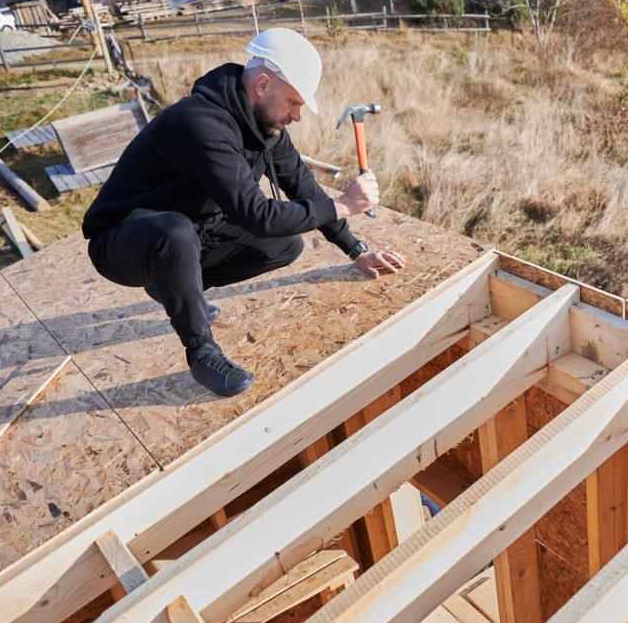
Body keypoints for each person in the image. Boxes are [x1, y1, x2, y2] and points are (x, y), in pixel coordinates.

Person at [83, 28, 405, 398]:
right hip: (121, 240)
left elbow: (304, 189)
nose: (297, 116)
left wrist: (356, 250)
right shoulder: (201, 123)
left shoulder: (266, 130)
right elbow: (257, 215)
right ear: (263, 83)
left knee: (285, 244)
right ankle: (201, 350)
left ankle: (171, 285)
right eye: (294, 102)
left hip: (191, 230)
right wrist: (345, 202)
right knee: (173, 231)